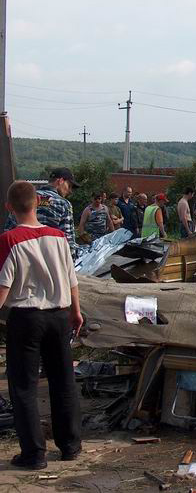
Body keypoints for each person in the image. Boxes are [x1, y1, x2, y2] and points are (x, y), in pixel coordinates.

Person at [0, 181, 83, 470]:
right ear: (37, 203)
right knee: (63, 381)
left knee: (24, 386)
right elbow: (72, 278)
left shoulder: (10, 240)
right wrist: (76, 311)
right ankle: (70, 445)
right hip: (59, 315)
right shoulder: (58, 237)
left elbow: (3, 286)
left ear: (9, 207)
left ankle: (34, 454)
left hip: (26, 318)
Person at [3, 168, 81, 259]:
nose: (70, 191)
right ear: (60, 181)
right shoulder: (63, 204)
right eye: (69, 186)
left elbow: (9, 230)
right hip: (51, 260)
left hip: (22, 257)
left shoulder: (26, 198)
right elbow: (68, 242)